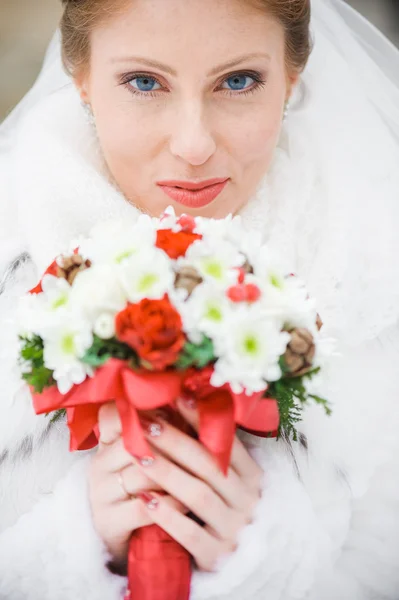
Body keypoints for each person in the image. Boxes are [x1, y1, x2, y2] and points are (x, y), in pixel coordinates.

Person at [1, 0, 399, 598]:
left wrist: (280, 563)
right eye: (143, 82)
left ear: (292, 76)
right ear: (80, 76)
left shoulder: (372, 279)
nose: (193, 145)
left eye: (238, 81)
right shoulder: (14, 255)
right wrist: (71, 545)